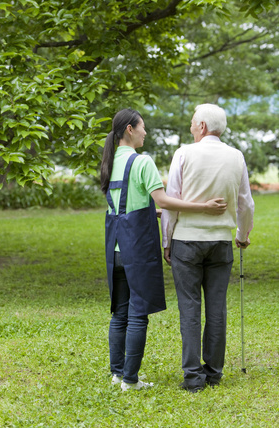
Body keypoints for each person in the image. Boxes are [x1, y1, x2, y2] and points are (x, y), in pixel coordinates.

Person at [101, 108, 227, 391]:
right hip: (137, 249)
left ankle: (118, 374)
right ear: (130, 129)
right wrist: (203, 208)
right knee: (137, 314)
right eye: (143, 127)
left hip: (115, 249)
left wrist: (151, 212)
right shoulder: (142, 162)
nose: (146, 132)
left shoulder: (109, 161)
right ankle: (131, 381)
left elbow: (125, 204)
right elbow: (166, 200)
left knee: (119, 313)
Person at [161, 103, 254, 393]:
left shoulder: (184, 153)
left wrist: (167, 240)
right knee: (217, 308)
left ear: (202, 126)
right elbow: (245, 203)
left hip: (187, 241)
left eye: (192, 122)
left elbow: (171, 201)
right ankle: (213, 373)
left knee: (189, 308)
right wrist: (242, 234)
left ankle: (192, 378)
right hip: (221, 242)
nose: (190, 127)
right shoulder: (236, 156)